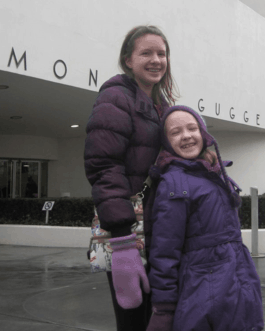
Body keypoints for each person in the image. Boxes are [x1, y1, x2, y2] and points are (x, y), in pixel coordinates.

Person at [84, 25, 178, 331]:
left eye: (161, 53)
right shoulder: (115, 98)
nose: (156, 60)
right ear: (128, 60)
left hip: (158, 229)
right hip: (130, 233)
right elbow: (103, 167)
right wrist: (123, 240)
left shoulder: (161, 104)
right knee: (134, 318)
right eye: (146, 53)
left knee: (158, 316)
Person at [146, 106, 264, 331]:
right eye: (175, 132)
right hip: (203, 289)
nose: (187, 136)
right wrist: (163, 306)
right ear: (166, 141)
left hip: (237, 278)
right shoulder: (174, 183)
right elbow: (164, 251)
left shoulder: (212, 171)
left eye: (192, 128)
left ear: (203, 133)